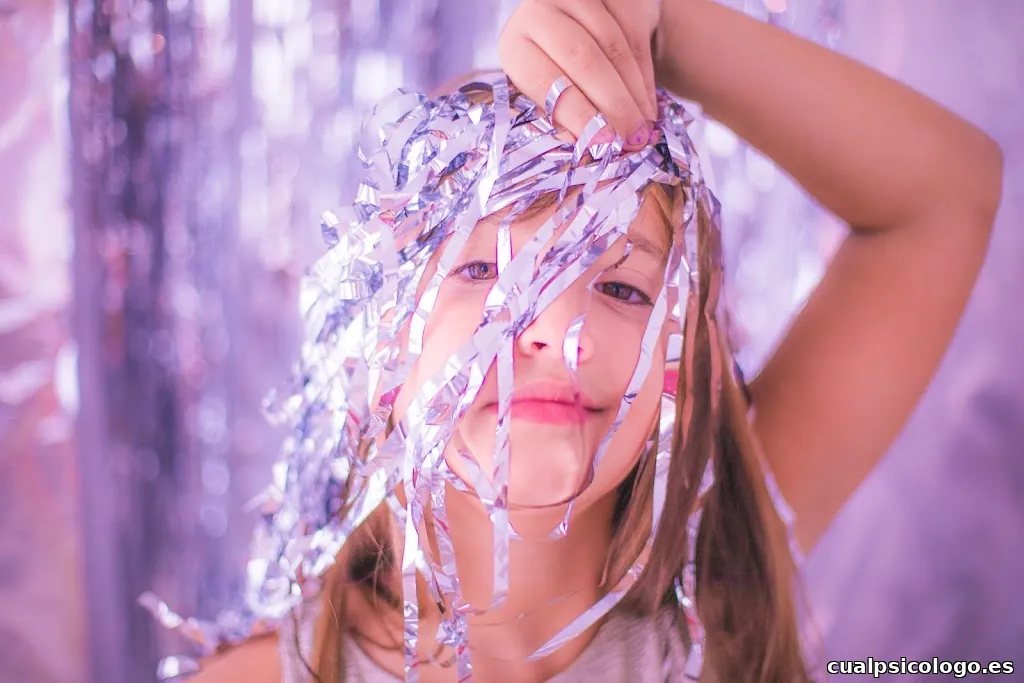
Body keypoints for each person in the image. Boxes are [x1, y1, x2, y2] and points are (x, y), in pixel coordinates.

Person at [179, 0, 1003, 682]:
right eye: (486, 274)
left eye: (621, 286)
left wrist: (654, 27)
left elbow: (944, 194)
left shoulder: (722, 603)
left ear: (690, 372)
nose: (560, 330)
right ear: (383, 357)